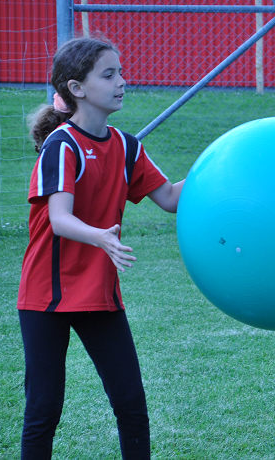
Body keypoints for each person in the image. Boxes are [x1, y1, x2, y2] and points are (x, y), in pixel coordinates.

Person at [18, 37, 184, 459]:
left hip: (99, 294)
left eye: (121, 73)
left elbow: (170, 199)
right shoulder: (62, 144)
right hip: (46, 297)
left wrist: (223, 163)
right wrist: (101, 236)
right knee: (43, 410)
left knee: (131, 406)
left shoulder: (127, 147)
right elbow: (60, 218)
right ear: (76, 88)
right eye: (109, 75)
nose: (122, 82)